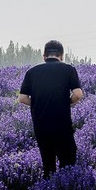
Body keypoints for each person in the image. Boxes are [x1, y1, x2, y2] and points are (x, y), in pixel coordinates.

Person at [18, 40, 85, 177]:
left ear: (44, 56)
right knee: (68, 162)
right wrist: (66, 103)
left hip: (41, 124)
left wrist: (39, 102)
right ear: (61, 55)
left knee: (48, 164)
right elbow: (78, 94)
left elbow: (22, 98)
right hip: (62, 123)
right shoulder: (68, 69)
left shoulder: (32, 72)